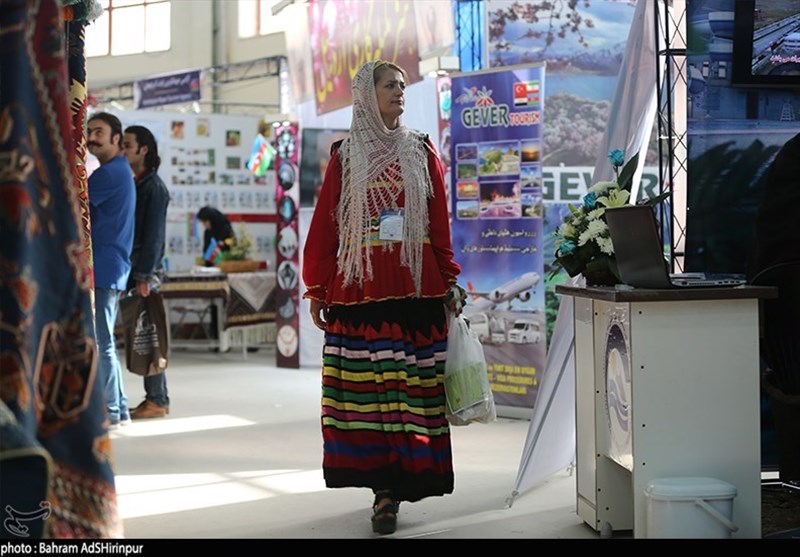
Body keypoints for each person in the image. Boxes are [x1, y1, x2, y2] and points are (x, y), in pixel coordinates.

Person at [302, 59, 466, 536]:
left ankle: (402, 481)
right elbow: (326, 225)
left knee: (412, 392)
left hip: (415, 288)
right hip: (361, 290)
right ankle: (383, 487)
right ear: (365, 95)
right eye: (389, 86)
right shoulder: (345, 156)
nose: (399, 92)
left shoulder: (420, 150)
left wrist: (450, 278)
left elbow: (439, 221)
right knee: (370, 396)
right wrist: (316, 285)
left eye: (402, 86)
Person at [87, 112, 135, 429]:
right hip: (111, 264)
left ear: (116, 138)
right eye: (89, 131)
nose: (92, 137)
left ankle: (112, 410)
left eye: (99, 132)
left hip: (104, 265)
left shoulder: (108, 174)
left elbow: (70, 203)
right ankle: (120, 409)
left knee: (103, 341)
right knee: (105, 340)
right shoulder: (117, 170)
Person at [123, 125, 171, 420]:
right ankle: (155, 397)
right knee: (143, 332)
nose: (123, 149)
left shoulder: (153, 187)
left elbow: (154, 236)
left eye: (128, 145)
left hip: (144, 271)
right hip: (138, 267)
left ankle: (157, 398)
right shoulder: (139, 183)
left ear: (143, 150)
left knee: (148, 334)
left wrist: (144, 275)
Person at [197, 206, 235, 344]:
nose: (204, 225)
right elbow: (206, 252)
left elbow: (231, 248)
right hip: (212, 273)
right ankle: (215, 336)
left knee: (228, 305)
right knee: (214, 306)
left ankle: (229, 337)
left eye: (205, 221)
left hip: (225, 271)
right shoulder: (208, 232)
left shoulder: (225, 228)